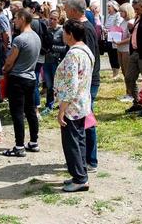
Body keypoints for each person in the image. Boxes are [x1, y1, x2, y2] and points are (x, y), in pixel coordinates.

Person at [55, 20, 95, 193]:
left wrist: (61, 110)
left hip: (72, 105)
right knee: (79, 140)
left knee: (72, 142)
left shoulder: (73, 54)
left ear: (70, 34)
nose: (63, 35)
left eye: (64, 32)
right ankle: (81, 175)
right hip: (83, 102)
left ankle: (79, 178)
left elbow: (71, 85)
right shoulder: (86, 50)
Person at [63, 0, 100, 172]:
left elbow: (88, 59)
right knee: (83, 120)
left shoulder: (86, 29)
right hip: (84, 83)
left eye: (65, 8)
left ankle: (89, 160)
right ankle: (81, 158)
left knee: (86, 121)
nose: (64, 11)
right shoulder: (80, 27)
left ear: (73, 10)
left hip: (87, 83)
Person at [2, 9, 41, 157]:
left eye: (16, 18)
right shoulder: (36, 37)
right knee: (30, 111)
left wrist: (4, 69)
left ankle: (19, 146)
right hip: (31, 78)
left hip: (17, 79)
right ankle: (33, 142)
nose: (14, 21)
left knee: (17, 113)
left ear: (23, 19)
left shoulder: (20, 39)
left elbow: (10, 61)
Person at [41, 10, 67, 115]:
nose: (51, 21)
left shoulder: (61, 31)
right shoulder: (46, 30)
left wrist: (53, 48)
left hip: (57, 61)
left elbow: (65, 47)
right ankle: (49, 105)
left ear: (58, 20)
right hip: (47, 61)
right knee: (49, 84)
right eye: (50, 18)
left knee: (59, 84)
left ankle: (62, 105)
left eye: (54, 19)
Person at [115, 3, 135, 102]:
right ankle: (127, 92)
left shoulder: (131, 22)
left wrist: (121, 42)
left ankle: (131, 93)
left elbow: (131, 37)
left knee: (128, 72)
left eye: (122, 11)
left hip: (126, 49)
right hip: (120, 48)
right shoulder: (123, 21)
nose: (120, 13)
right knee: (123, 70)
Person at [103, 0, 123, 77]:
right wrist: (104, 29)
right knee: (110, 55)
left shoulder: (118, 15)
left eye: (109, 6)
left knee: (115, 55)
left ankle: (116, 73)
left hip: (114, 38)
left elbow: (117, 26)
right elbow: (106, 25)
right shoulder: (108, 16)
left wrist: (108, 30)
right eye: (107, 6)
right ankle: (113, 72)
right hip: (108, 37)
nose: (108, 8)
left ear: (114, 7)